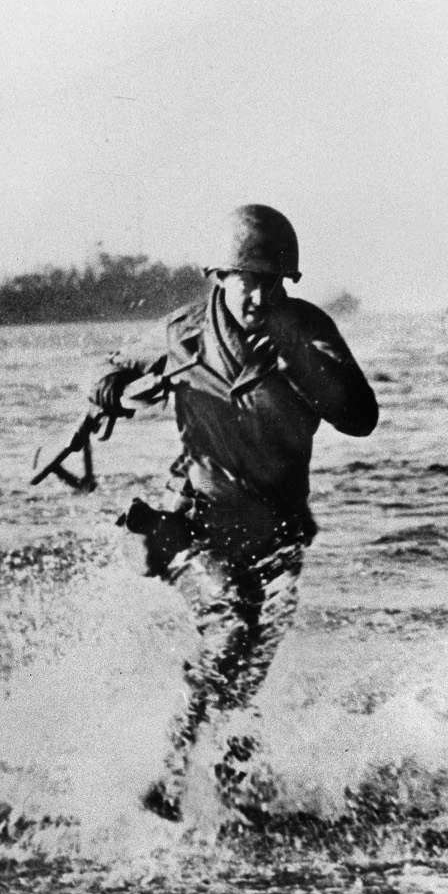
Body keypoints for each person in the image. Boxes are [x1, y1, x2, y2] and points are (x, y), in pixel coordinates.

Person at [87, 204, 379, 815]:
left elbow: (360, 417)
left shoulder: (308, 328)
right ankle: (167, 775)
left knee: (245, 683)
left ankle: (229, 804)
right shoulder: (183, 334)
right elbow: (113, 368)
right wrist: (110, 385)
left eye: (273, 281)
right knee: (228, 624)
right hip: (191, 523)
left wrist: (298, 354)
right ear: (218, 276)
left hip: (275, 537)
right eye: (248, 279)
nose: (259, 294)